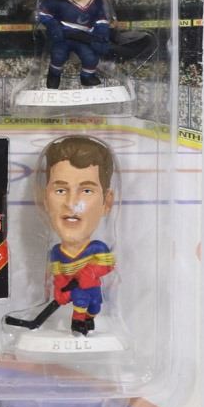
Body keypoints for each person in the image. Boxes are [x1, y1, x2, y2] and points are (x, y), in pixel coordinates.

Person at [42, 135, 115, 336]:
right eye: (60, 190)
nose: (72, 203)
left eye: (87, 190)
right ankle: (77, 325)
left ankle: (88, 322)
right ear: (45, 199)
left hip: (92, 289)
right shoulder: (57, 253)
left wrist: (90, 273)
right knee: (80, 302)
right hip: (76, 292)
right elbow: (58, 274)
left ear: (107, 203)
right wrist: (60, 289)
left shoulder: (97, 249)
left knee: (94, 306)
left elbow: (107, 265)